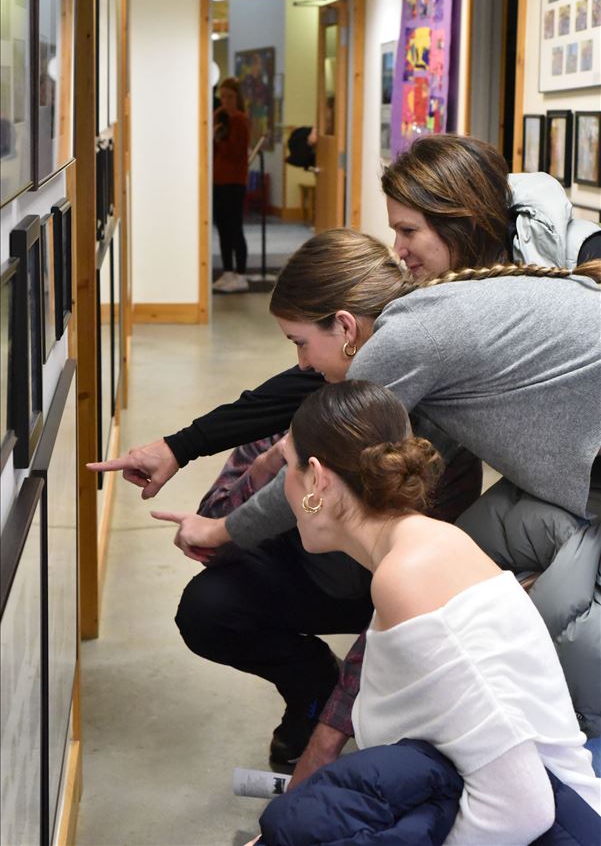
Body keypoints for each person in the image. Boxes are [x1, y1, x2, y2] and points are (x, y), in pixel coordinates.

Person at [88, 135, 601, 767]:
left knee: (558, 637)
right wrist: (186, 447)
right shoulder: (476, 279)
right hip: (550, 487)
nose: (399, 252)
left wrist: (224, 530)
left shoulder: (427, 326)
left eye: (408, 230)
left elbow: (382, 563)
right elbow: (301, 388)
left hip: (573, 484)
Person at [252, 380, 600, 844]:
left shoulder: (408, 576)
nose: (285, 487)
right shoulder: (420, 547)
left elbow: (523, 806)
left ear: (317, 478)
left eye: (286, 468)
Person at [212, 77, 250, 294]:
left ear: (237, 98)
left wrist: (221, 139)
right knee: (222, 227)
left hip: (235, 180)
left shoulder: (240, 119)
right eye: (222, 97)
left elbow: (236, 152)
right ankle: (227, 271)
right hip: (218, 180)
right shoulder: (219, 116)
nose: (225, 101)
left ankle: (240, 274)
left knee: (235, 227)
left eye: (230, 97)